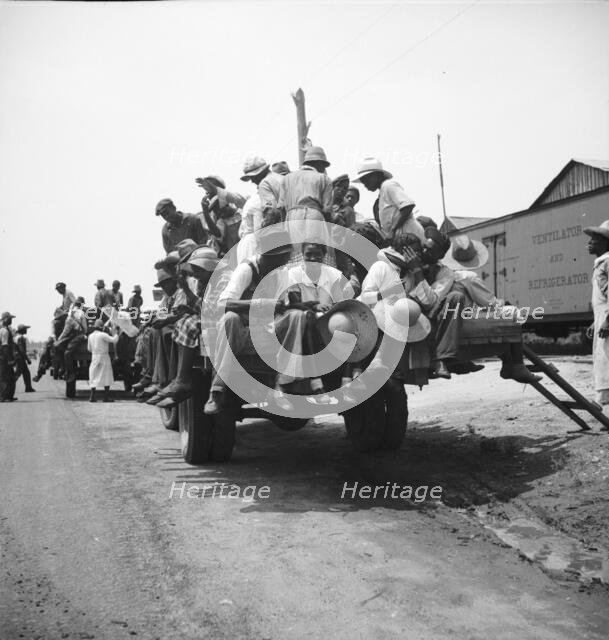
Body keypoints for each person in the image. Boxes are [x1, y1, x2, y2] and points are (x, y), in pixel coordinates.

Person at [204, 227, 294, 414]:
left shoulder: (281, 274)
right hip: (242, 335)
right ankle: (217, 389)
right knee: (230, 319)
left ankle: (282, 386)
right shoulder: (247, 269)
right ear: (271, 257)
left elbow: (284, 306)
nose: (285, 263)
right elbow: (224, 304)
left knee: (296, 317)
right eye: (282, 259)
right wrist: (262, 304)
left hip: (268, 334)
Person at [152, 247, 233, 408]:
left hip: (222, 319)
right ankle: (179, 379)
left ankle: (182, 380)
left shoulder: (223, 279)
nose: (194, 273)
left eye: (197, 269)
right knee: (183, 322)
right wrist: (188, 308)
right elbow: (203, 307)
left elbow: (211, 310)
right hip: (212, 316)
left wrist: (188, 292)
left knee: (187, 323)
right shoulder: (206, 280)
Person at [353, 157, 425, 244]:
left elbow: (408, 206)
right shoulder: (381, 195)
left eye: (366, 180)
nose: (365, 184)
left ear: (377, 175)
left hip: (410, 233)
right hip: (401, 238)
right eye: (363, 182)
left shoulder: (388, 185)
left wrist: (393, 230)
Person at [584, 220, 609, 407]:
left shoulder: (607, 262)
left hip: (607, 317)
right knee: (602, 359)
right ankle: (601, 400)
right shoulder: (600, 263)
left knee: (606, 358)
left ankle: (600, 401)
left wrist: (607, 321)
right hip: (602, 316)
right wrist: (596, 321)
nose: (589, 243)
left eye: (594, 240)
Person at [196, 176, 246, 257]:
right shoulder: (219, 220)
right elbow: (218, 234)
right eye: (215, 208)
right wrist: (206, 214)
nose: (219, 210)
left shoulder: (241, 207)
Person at [87, 320, 119, 402]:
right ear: (101, 327)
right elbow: (114, 340)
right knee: (106, 376)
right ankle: (106, 397)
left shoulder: (90, 336)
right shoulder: (103, 335)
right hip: (104, 356)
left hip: (94, 356)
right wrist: (115, 332)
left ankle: (92, 396)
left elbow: (89, 349)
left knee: (93, 375)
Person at [0, 311, 17, 402]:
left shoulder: (7, 329)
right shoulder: (4, 331)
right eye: (10, 319)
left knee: (10, 376)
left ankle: (9, 395)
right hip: (4, 358)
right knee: (4, 377)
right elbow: (5, 346)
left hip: (5, 357)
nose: (11, 320)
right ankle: (3, 396)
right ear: (5, 319)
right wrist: (9, 360)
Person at [14, 324, 35, 392]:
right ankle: (8, 387)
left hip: (18, 357)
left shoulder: (16, 337)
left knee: (26, 373)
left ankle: (28, 388)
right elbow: (22, 350)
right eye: (25, 329)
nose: (26, 330)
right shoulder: (20, 338)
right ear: (22, 330)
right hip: (20, 358)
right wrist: (27, 359)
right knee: (17, 374)